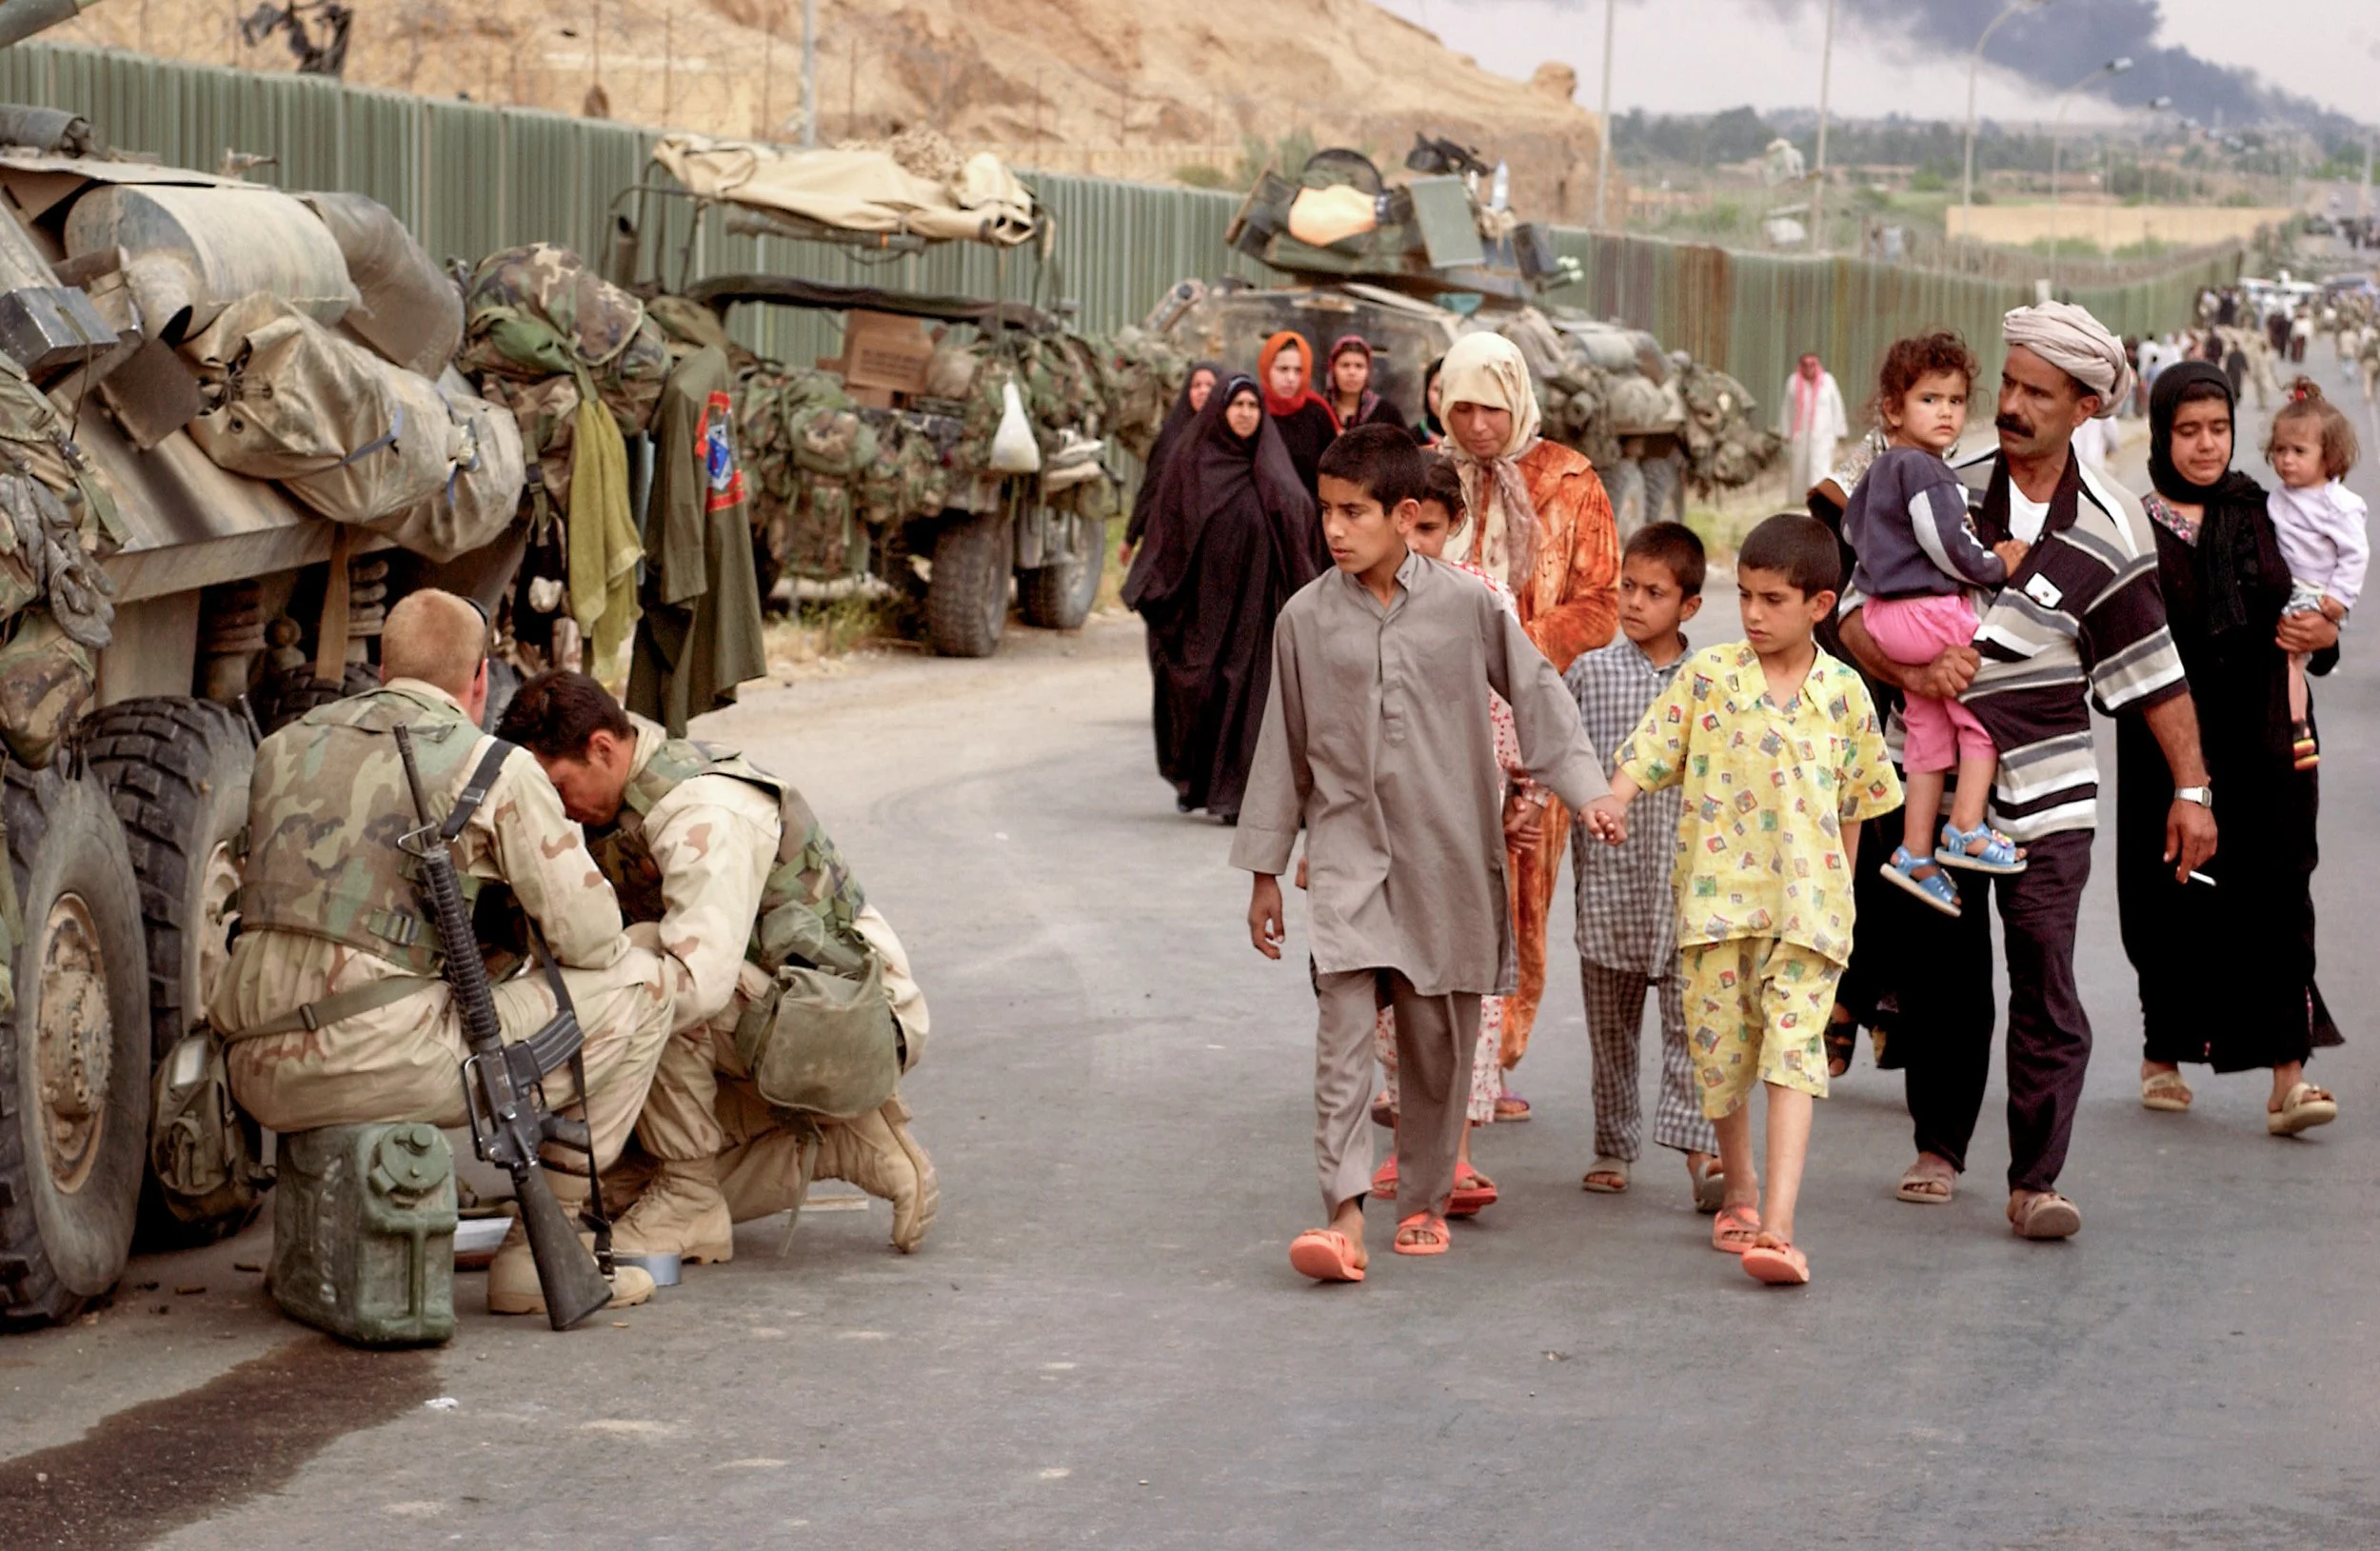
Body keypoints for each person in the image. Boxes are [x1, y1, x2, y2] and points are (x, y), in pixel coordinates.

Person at [1835, 300, 2217, 1239]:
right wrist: (1912, 670)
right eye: (2004, 383)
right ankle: (1937, 1144)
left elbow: (2152, 673)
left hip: (2047, 789)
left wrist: (2192, 789)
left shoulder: (2109, 528)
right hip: (1926, 776)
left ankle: (2034, 1179)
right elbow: (1845, 612)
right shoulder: (1932, 478)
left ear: (2084, 408)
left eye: (2034, 393)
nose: (2006, 405)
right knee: (1940, 972)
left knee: (2045, 972)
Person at [209, 589, 680, 1316]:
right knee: (643, 984)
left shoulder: (281, 747)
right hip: (375, 1060)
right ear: (480, 680)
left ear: (380, 663)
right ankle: (542, 1249)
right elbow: (591, 936)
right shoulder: (490, 764)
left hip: (255, 1066)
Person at [1234, 426, 1606, 1281]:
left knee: (1437, 1043)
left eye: (1353, 511)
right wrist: (1264, 872)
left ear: (1406, 515)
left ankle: (1427, 1195)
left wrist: (1587, 794)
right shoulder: (1304, 617)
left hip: (1447, 856)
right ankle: (1342, 1215)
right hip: (1346, 860)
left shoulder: (1469, 605)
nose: (1334, 528)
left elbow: (1539, 697)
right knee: (1341, 1038)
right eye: (1326, 510)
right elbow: (1281, 745)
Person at [498, 671, 940, 1256]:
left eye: (556, 785)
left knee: (644, 966)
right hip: (777, 1008)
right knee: (611, 1192)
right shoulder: (620, 801)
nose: (554, 809)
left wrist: (583, 1026)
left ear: (602, 749)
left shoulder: (704, 808)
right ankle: (839, 1145)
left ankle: (689, 1195)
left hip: (859, 1021)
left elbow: (696, 987)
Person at [1583, 515, 1901, 1286]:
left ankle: (1780, 1227)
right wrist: (1616, 798)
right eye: (1745, 596)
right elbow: (1653, 744)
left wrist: (1843, 905)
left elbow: (1857, 804)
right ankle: (1742, 1186)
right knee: (1721, 1060)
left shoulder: (1844, 694)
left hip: (1807, 916)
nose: (1753, 614)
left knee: (1794, 1057)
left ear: (1820, 603)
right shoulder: (1711, 676)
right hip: (1716, 908)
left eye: (1773, 600)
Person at [2120, 361, 2344, 1134]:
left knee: (2281, 895)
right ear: (2161, 433)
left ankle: (2289, 1077)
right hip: (2167, 742)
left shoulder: (2262, 510)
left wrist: (2324, 631)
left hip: (2268, 740)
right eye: (2188, 431)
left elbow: (2309, 598)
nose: (2207, 445)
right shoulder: (2134, 520)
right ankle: (2163, 1050)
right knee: (2169, 899)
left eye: (2218, 428)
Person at [1437, 330, 1621, 1111]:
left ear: (1517, 402)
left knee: (1522, 888)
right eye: (1461, 406)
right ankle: (1426, 1059)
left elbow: (1602, 604)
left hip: (1531, 719)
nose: (1477, 424)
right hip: (1437, 716)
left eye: (1491, 406)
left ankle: (1497, 1055)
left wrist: (1511, 644)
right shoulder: (1425, 475)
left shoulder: (1571, 481)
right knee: (1436, 882)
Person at [1366, 458, 1520, 1218]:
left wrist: (1523, 792)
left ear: (1455, 525)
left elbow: (1522, 701)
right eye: (1406, 524)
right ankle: (1408, 1138)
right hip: (1386, 833)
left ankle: (1455, 1150)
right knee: (1395, 988)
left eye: (1430, 526)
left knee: (1467, 988)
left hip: (1469, 827)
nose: (1416, 540)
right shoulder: (1365, 607)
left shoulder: (1485, 601)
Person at [1839, 331, 2029, 920]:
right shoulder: (1927, 471)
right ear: (1893, 409)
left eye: (1954, 399)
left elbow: (1851, 532)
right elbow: (1948, 544)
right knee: (1982, 713)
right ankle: (1967, 828)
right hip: (1929, 610)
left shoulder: (1875, 471)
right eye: (1928, 400)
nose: (1946, 411)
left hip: (1882, 612)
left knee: (1925, 733)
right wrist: (1999, 564)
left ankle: (1914, 851)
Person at [1564, 522, 1723, 1209]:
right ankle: (1612, 1142)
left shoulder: (1714, 681)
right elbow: (1561, 757)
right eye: (1627, 586)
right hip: (1609, 886)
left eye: (1653, 592)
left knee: (1692, 1025)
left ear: (1688, 605)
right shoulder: (1589, 673)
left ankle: (1700, 1153)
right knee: (1611, 1028)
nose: (1633, 602)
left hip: (1688, 888)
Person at [1122, 374, 1320, 823]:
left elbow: (1301, 522)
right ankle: (1201, 783)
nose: (1247, 414)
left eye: (1254, 406)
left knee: (1253, 696)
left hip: (1259, 609)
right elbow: (1169, 531)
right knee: (1206, 691)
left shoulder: (1273, 467)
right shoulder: (1191, 465)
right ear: (1221, 411)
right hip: (1204, 607)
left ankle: (1240, 795)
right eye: (1238, 406)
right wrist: (1156, 587)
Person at [2260, 379, 2366, 768]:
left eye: (2299, 451)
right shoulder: (2277, 497)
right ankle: (2293, 723)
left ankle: (2296, 727)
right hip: (2287, 591)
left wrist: (2338, 600)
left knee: (2289, 660)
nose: (2286, 460)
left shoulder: (2337, 504)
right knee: (2286, 661)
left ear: (2329, 456)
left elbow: (2355, 554)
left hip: (2316, 594)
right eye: (2280, 450)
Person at [1121, 361, 1220, 568]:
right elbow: (1152, 486)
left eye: (1210, 385)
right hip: (1175, 539)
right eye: (1196, 386)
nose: (1203, 391)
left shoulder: (1232, 437)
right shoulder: (1173, 435)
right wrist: (1131, 537)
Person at [1257, 330, 1341, 495]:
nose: (1291, 378)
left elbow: (1334, 473)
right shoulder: (1252, 409)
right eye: (1283, 369)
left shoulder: (1317, 413)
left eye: (1298, 371)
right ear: (1267, 368)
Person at [1780, 352, 1849, 502]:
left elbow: (1836, 407)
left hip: (1823, 436)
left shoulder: (1828, 381)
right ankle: (1798, 500)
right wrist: (1785, 433)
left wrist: (1840, 431)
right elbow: (1787, 409)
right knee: (1798, 469)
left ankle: (1820, 500)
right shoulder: (1793, 382)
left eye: (1812, 365)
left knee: (1821, 468)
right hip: (1800, 436)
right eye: (1805, 365)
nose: (1809, 369)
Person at [1322, 334, 1408, 435]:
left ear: (1368, 371)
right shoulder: (1320, 411)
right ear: (1333, 369)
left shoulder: (1387, 413)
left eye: (1359, 366)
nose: (1352, 372)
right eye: (1345, 365)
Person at [1416, 355, 1448, 447]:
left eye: (1448, 389)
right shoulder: (1411, 441)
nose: (1442, 397)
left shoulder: (1476, 440)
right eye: (1436, 389)